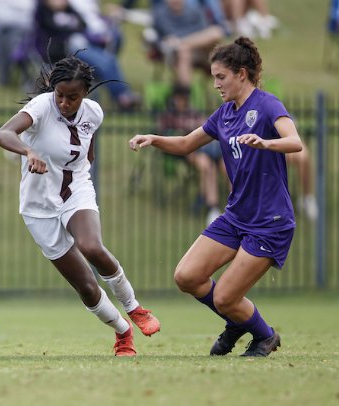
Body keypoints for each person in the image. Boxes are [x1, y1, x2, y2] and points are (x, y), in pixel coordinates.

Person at [129, 37, 303, 357]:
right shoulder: (224, 114)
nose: (215, 84)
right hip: (237, 216)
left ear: (241, 73)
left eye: (220, 77)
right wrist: (154, 138)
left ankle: (264, 336)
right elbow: (185, 144)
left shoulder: (267, 105)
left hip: (269, 221)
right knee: (187, 276)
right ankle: (237, 321)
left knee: (225, 297)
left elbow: (295, 143)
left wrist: (267, 144)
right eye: (213, 77)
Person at [0, 55, 160, 357]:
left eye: (73, 97)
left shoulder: (94, 113)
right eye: (60, 95)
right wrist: (28, 151)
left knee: (92, 247)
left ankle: (135, 308)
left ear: (85, 93)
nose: (65, 102)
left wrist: (81, 182)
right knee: (85, 286)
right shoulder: (42, 107)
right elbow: (3, 133)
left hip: (75, 191)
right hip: (38, 206)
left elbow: (87, 155)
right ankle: (123, 332)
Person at [34, 0, 140, 111]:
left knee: (109, 59)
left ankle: (122, 94)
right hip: (61, 55)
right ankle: (122, 96)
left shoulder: (69, 10)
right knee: (104, 61)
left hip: (77, 53)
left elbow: (82, 24)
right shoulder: (43, 13)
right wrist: (72, 28)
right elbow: (56, 29)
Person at [158, 83, 225, 224]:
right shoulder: (169, 116)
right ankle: (212, 206)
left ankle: (234, 203)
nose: (183, 102)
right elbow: (167, 135)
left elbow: (205, 125)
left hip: (206, 149)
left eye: (185, 99)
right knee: (206, 165)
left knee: (227, 165)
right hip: (185, 151)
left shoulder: (192, 112)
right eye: (180, 98)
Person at [151, 0, 225, 88]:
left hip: (198, 50)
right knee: (184, 50)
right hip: (174, 53)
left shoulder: (194, 10)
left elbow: (204, 33)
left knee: (216, 32)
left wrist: (181, 42)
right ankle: (185, 94)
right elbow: (156, 38)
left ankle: (182, 43)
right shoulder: (160, 14)